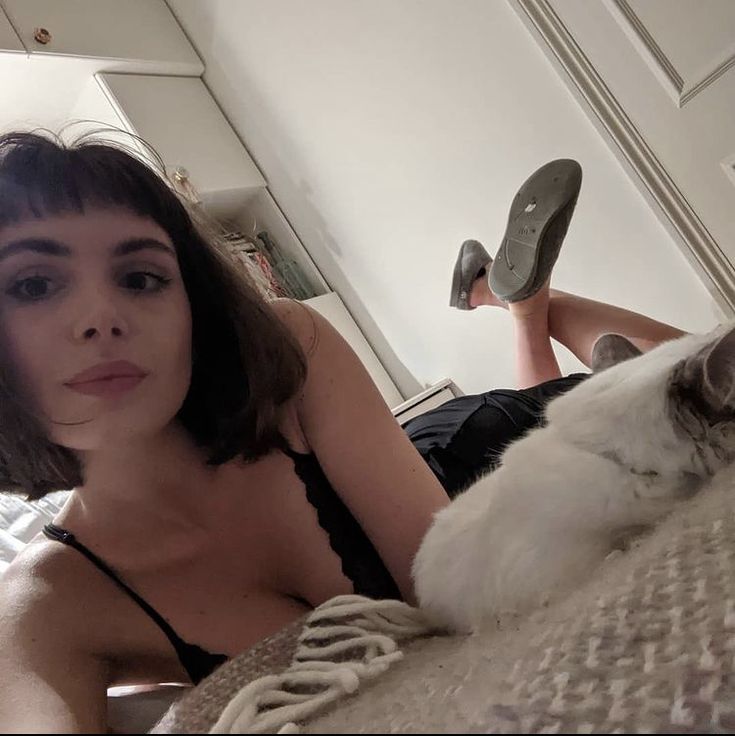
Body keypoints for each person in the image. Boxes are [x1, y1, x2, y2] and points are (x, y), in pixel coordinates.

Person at [0, 133, 687, 732]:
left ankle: (523, 302)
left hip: (464, 463)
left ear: (191, 308)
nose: (101, 314)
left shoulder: (290, 345)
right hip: (453, 480)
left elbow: (472, 606)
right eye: (33, 285)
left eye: (142, 276)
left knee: (682, 368)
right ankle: (516, 303)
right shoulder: (46, 609)